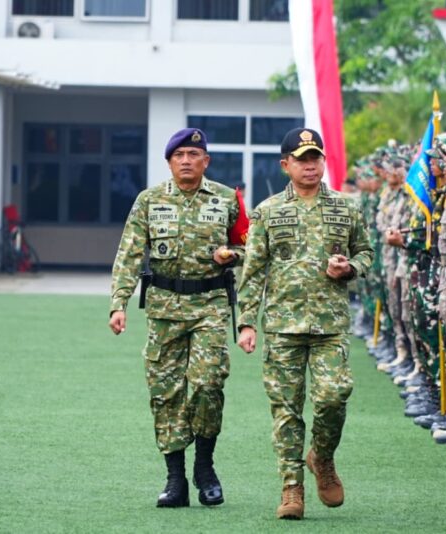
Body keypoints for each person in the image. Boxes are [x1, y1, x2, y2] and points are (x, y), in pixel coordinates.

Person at [236, 127, 374, 520]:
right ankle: (291, 487)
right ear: (286, 165)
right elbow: (254, 270)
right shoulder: (267, 211)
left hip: (330, 324)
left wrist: (349, 268)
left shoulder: (346, 208)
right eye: (301, 159)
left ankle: (323, 456)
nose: (309, 165)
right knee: (286, 410)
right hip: (282, 326)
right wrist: (247, 322)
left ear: (322, 162)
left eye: (315, 157)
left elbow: (365, 253)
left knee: (334, 396)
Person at [109, 128, 245, 508]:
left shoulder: (227, 199)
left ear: (206, 161)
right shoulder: (149, 201)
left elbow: (249, 245)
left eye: (193, 154)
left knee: (207, 383)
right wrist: (118, 303)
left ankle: (205, 467)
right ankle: (175, 479)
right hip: (164, 307)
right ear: (169, 162)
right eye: (179, 155)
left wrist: (231, 255)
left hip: (211, 305)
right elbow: (129, 254)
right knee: (164, 392)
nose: (186, 160)